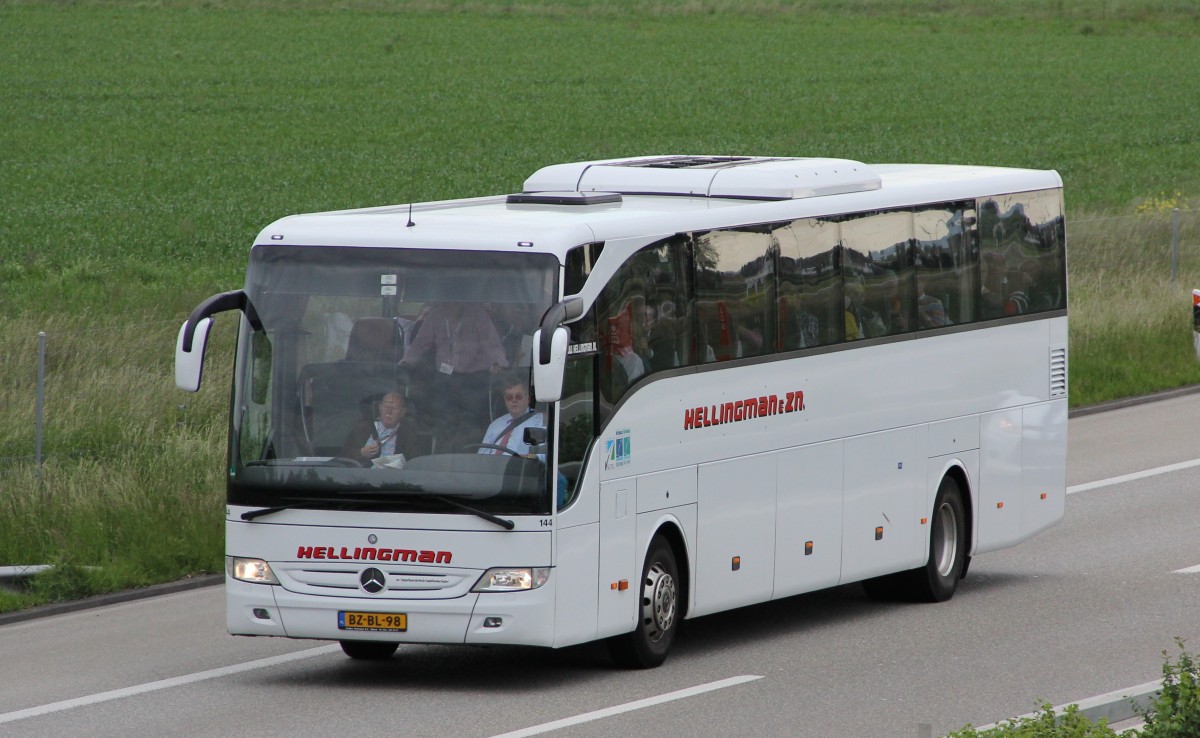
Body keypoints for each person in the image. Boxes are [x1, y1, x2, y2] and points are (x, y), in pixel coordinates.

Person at [400, 302, 508, 447]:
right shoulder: (436, 315)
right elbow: (420, 342)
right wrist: (406, 362)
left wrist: (499, 363)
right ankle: (443, 456)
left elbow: (492, 343)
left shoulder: (478, 314)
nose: (450, 306)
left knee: (471, 424)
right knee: (443, 421)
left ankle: (469, 455)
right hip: (445, 378)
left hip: (473, 380)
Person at [341, 391, 422, 465]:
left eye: (394, 408)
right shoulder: (362, 429)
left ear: (402, 412)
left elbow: (416, 464)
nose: (389, 412)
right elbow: (342, 459)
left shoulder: (408, 434)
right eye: (386, 407)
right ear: (380, 408)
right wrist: (361, 453)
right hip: (361, 479)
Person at [478, 376, 544, 458]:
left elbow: (544, 454)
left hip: (520, 468)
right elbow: (481, 456)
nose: (514, 400)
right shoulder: (495, 424)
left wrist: (530, 457)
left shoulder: (538, 421)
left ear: (528, 398)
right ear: (505, 400)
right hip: (493, 469)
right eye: (509, 397)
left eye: (518, 396)